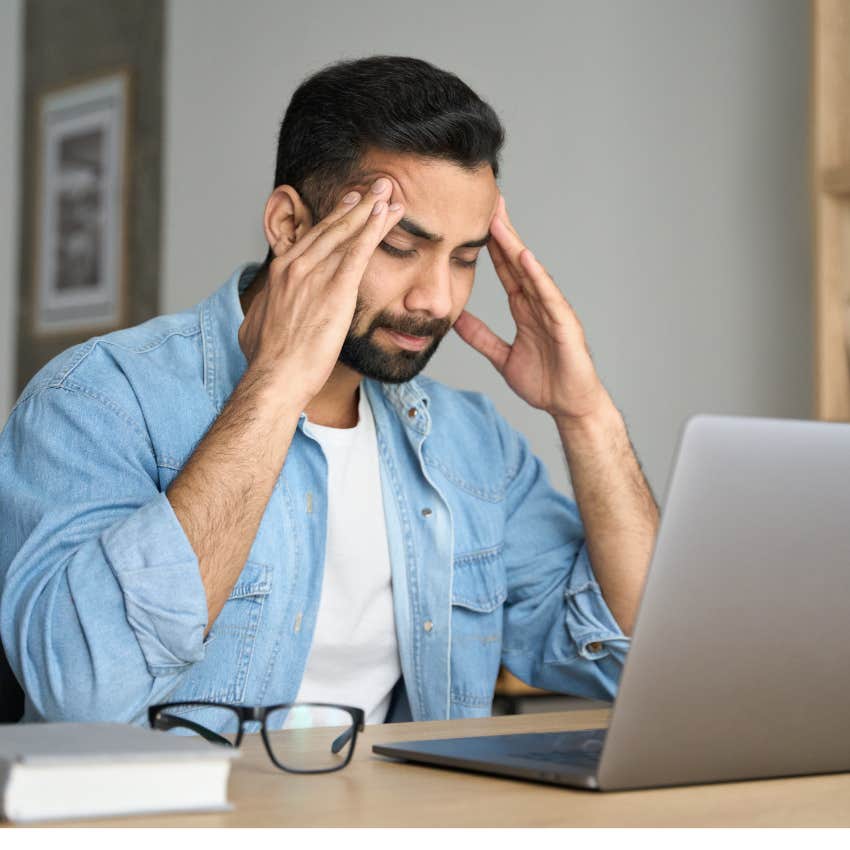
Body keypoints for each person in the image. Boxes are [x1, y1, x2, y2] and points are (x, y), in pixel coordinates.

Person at [0, 56, 658, 727]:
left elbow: (636, 666)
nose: (437, 299)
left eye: (464, 258)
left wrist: (585, 416)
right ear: (289, 226)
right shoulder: (98, 399)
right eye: (399, 247)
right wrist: (278, 385)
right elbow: (83, 693)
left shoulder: (472, 445)